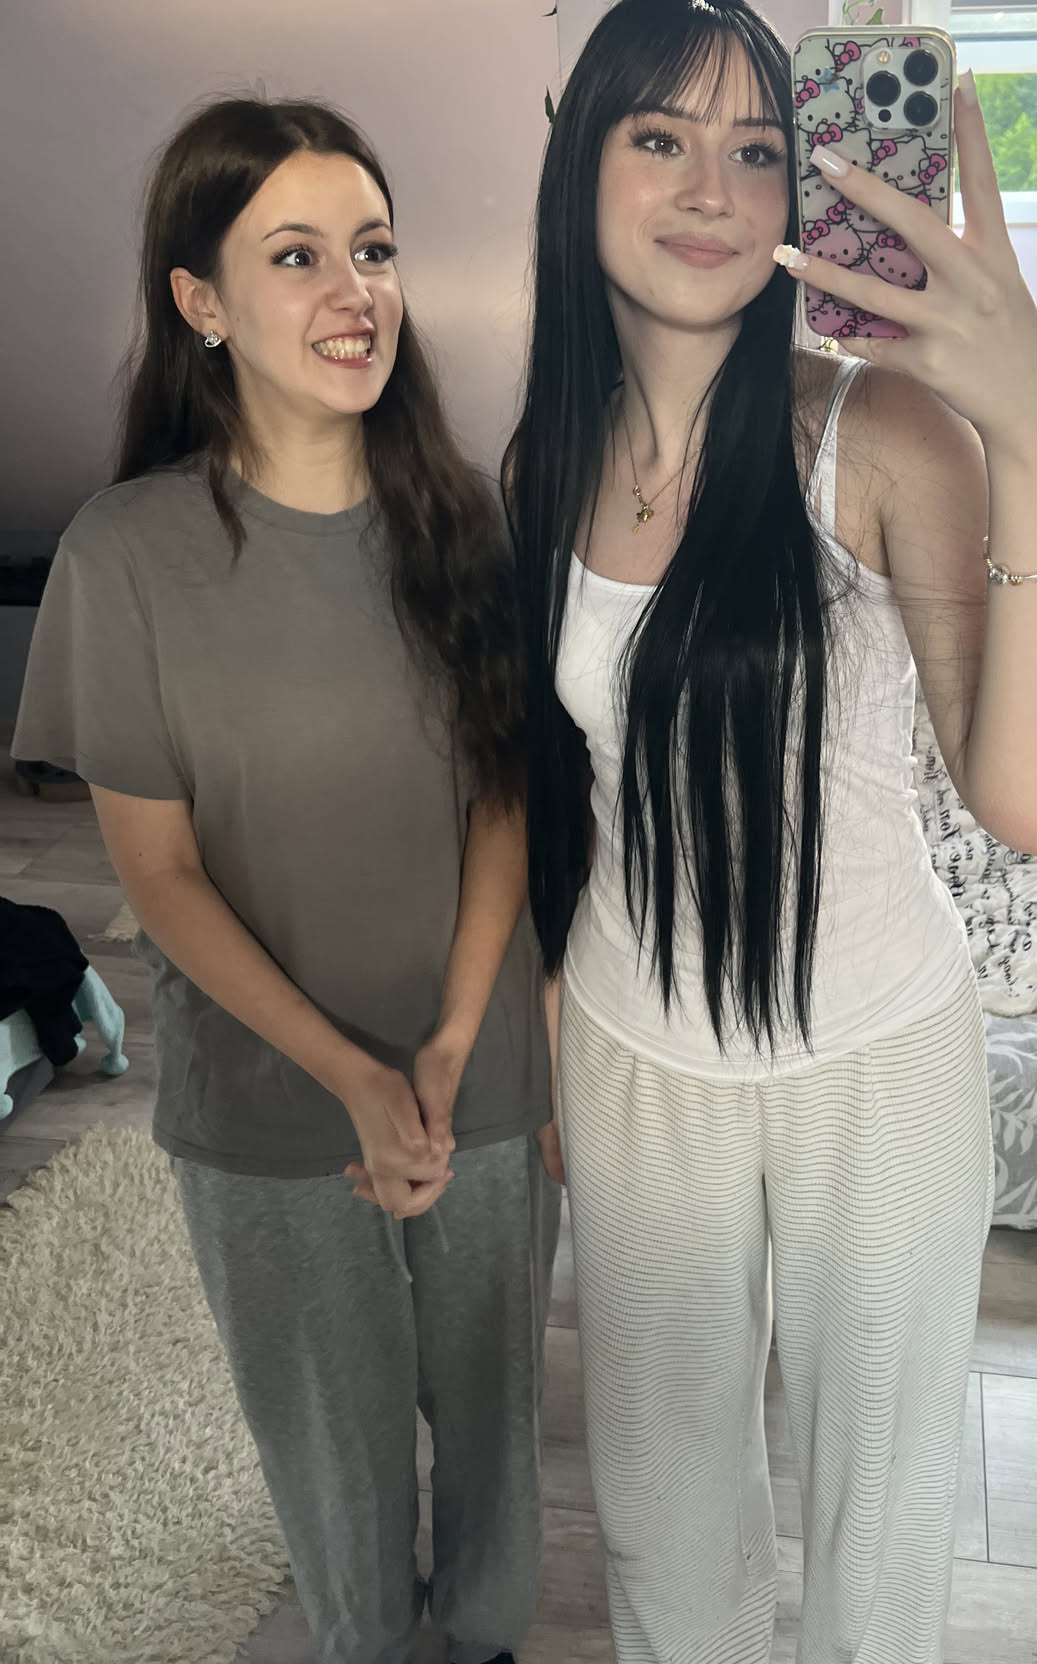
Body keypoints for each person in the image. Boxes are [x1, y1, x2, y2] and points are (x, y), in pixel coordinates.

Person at [504, 0, 1037, 1663]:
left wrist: (1035, 419)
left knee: (880, 1522)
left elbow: (1034, 799)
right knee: (662, 1509)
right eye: (660, 138)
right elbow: (564, 775)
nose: (712, 187)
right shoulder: (548, 457)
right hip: (633, 1056)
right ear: (582, 164)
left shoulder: (878, 435)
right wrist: (552, 1014)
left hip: (877, 1062)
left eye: (761, 148)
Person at [12, 97, 558, 1664]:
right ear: (201, 301)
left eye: (373, 250)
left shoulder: (467, 519)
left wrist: (451, 1043)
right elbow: (162, 877)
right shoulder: (123, 556)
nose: (354, 292)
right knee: (336, 1463)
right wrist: (352, 1077)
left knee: (496, 1438)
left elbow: (505, 803)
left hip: (482, 1074)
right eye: (298, 256)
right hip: (265, 1101)